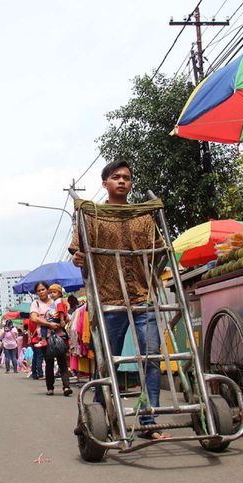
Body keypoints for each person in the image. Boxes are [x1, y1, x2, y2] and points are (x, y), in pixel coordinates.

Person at [69, 159, 166, 440]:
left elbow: (159, 249)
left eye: (126, 177)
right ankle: (96, 416)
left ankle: (149, 420)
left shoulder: (143, 216)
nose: (122, 181)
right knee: (106, 362)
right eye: (116, 177)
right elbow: (78, 252)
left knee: (151, 357)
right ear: (105, 184)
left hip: (142, 296)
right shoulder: (90, 215)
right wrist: (79, 257)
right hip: (108, 299)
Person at [44, 284, 72, 396]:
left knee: (59, 362)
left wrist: (61, 320)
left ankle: (63, 387)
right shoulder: (53, 304)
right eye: (50, 292)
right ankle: (59, 387)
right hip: (53, 335)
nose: (51, 294)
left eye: (54, 292)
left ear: (59, 293)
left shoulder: (59, 301)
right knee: (57, 363)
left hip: (57, 334)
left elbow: (61, 313)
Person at [30, 282, 59, 380]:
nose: (41, 292)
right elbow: (34, 318)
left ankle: (66, 386)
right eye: (39, 290)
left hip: (57, 335)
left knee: (61, 359)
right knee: (48, 361)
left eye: (43, 289)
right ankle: (50, 386)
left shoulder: (55, 302)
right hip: (44, 337)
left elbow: (63, 315)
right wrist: (48, 324)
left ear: (47, 290)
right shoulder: (36, 303)